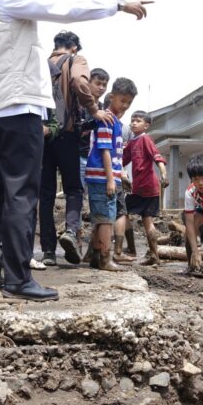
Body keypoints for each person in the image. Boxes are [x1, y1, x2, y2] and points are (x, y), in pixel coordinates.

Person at [0, 0, 149, 301]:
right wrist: (116, 4)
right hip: (17, 107)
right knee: (21, 191)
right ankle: (18, 276)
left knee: (1, 191)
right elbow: (64, 7)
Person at [41, 31, 112, 266]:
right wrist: (93, 110)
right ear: (74, 48)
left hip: (40, 136)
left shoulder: (40, 60)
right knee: (73, 190)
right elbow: (80, 82)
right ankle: (71, 232)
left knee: (46, 194)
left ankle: (48, 252)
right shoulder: (75, 61)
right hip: (65, 135)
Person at [85, 79, 136, 271]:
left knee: (101, 217)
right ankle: (105, 258)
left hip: (105, 175)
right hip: (102, 176)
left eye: (128, 103)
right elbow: (105, 150)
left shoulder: (115, 121)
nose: (125, 105)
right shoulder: (107, 120)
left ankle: (96, 257)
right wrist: (110, 180)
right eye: (122, 101)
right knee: (106, 218)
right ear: (112, 97)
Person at [123, 110, 167, 266]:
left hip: (146, 186)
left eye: (138, 121)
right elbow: (122, 160)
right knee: (146, 220)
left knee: (123, 212)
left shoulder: (145, 139)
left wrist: (163, 173)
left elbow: (157, 156)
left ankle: (133, 250)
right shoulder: (132, 143)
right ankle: (152, 255)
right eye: (132, 120)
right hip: (140, 187)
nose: (134, 123)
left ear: (146, 125)